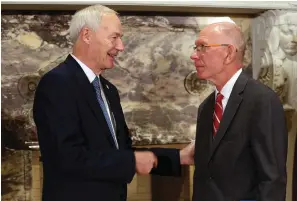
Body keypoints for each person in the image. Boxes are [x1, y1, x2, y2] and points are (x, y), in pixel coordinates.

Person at [33, 5, 194, 201]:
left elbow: (119, 152)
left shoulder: (108, 90)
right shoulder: (57, 83)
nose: (121, 46)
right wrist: (131, 161)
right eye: (114, 37)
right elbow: (67, 157)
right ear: (87, 35)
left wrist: (179, 157)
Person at [189, 22, 288, 201]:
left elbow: (272, 180)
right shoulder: (206, 107)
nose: (193, 55)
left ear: (228, 53)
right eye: (196, 48)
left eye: (202, 47)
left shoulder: (262, 101)